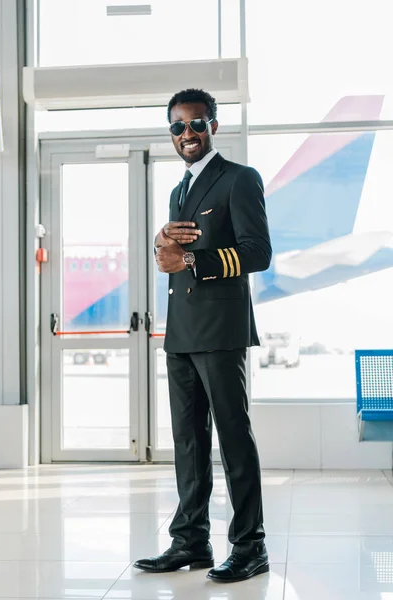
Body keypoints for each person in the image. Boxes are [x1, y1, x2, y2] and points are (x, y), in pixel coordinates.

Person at [134, 89, 272, 583]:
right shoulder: (179, 190)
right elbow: (171, 250)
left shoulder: (239, 179)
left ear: (214, 124)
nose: (187, 134)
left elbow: (257, 253)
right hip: (182, 333)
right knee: (189, 442)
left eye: (196, 124)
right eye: (177, 127)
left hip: (221, 329)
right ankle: (191, 540)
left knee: (234, 438)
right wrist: (160, 241)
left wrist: (190, 258)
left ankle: (250, 545)